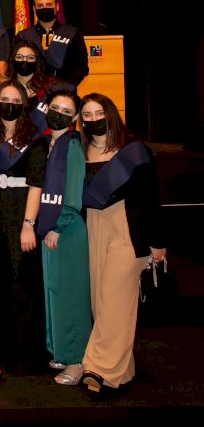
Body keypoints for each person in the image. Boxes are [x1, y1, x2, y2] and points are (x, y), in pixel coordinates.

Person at [79, 93, 166, 395]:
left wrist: (157, 241)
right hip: (94, 227)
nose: (93, 120)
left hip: (129, 230)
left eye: (98, 113)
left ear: (110, 114)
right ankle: (122, 370)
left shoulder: (134, 150)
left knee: (115, 300)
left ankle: (97, 368)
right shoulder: (81, 150)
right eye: (87, 115)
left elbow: (152, 198)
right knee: (99, 301)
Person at [0, 82, 48, 375]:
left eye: (15, 99)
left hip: (20, 213)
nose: (10, 104)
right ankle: (1, 350)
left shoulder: (34, 139)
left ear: (24, 105)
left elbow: (37, 184)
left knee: (22, 284)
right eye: (4, 99)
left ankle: (25, 355)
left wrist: (28, 225)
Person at [36, 89, 92, 387]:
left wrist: (59, 225)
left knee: (71, 296)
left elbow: (73, 191)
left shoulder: (72, 145)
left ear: (75, 117)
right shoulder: (48, 143)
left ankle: (77, 360)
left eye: (66, 111)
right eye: (55, 107)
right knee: (54, 292)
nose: (59, 113)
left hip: (66, 230)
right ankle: (62, 349)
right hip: (51, 229)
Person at [15, 0, 90, 87]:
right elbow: (16, 67)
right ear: (34, 9)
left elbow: (81, 67)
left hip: (65, 91)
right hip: (31, 90)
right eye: (40, 6)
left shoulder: (73, 33)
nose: (45, 8)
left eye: (49, 5)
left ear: (57, 7)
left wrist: (65, 87)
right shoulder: (23, 36)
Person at [7, 41, 55, 132]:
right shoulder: (5, 89)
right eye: (19, 57)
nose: (24, 61)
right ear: (12, 60)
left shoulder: (49, 89)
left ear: (37, 61)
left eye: (30, 58)